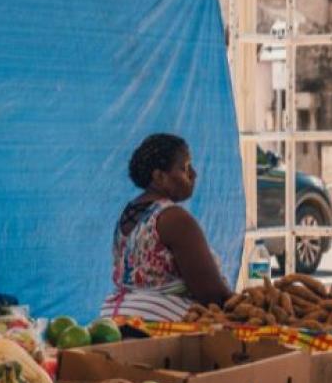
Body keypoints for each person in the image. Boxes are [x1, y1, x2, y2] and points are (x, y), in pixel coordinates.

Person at [98, 134, 232, 322]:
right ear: (159, 176)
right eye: (185, 168)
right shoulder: (174, 219)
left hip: (116, 318)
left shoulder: (129, 212)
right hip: (159, 324)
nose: (194, 174)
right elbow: (212, 295)